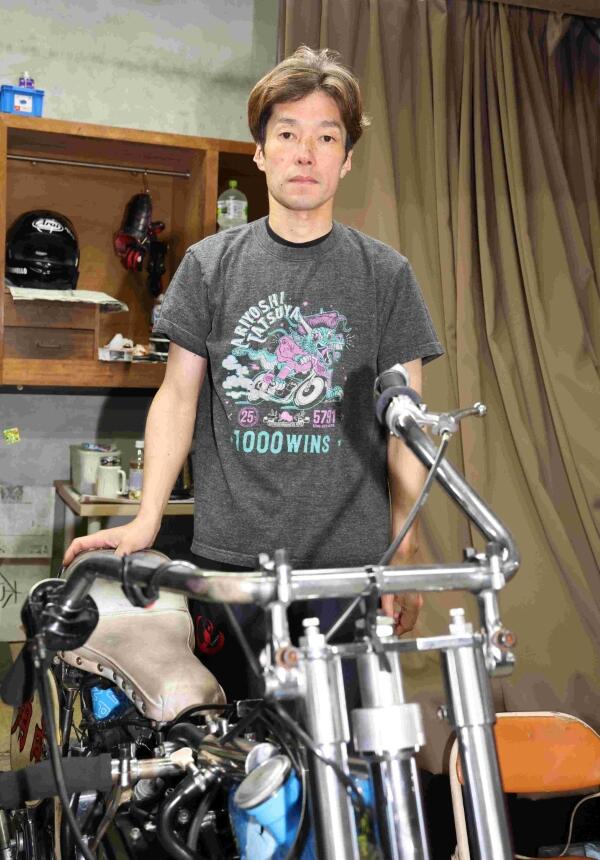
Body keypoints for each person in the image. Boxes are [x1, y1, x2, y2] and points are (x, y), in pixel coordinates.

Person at [64, 46, 443, 699]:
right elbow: (177, 397)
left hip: (346, 573)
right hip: (231, 569)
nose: (306, 154)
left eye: (326, 137)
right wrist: (147, 518)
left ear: (347, 159)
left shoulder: (386, 277)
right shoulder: (209, 267)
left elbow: (407, 425)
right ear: (261, 153)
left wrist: (403, 548)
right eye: (288, 135)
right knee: (234, 747)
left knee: (348, 747)